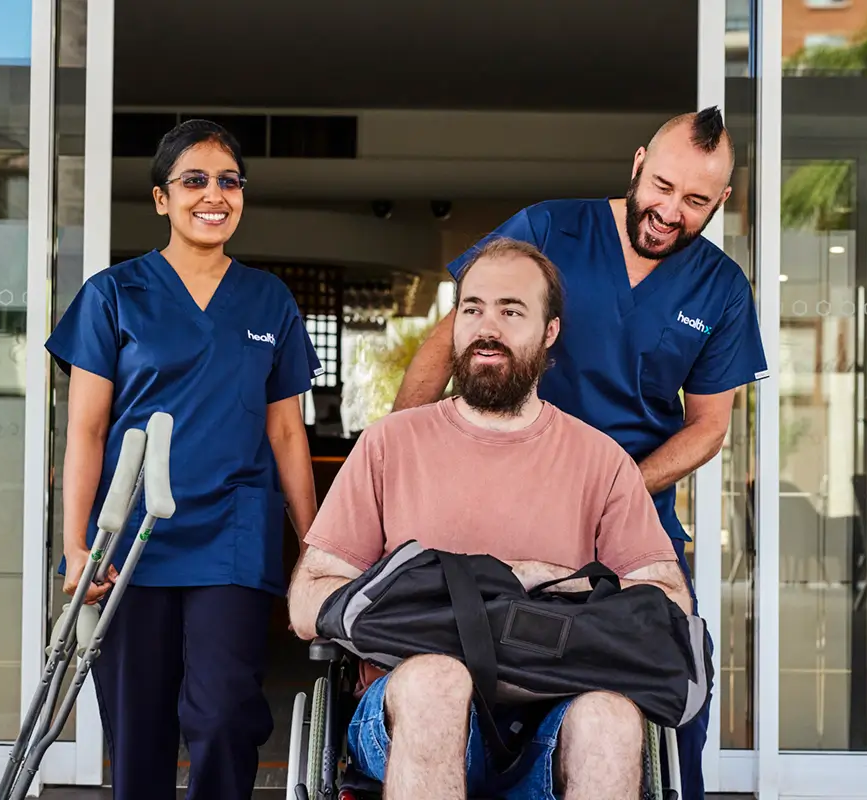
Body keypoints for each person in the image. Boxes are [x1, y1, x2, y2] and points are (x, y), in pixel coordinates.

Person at [391, 106, 768, 800]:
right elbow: (453, 338)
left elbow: (709, 425)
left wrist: (614, 486)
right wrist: (398, 457)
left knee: (681, 661)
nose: (667, 211)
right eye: (660, 185)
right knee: (466, 657)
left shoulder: (721, 288)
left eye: (694, 201)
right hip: (500, 498)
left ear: (722, 202)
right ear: (635, 166)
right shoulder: (548, 229)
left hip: (630, 518)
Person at [288, 237, 692, 800]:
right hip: (405, 709)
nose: (487, 327)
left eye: (511, 311)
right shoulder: (390, 444)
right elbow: (307, 599)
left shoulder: (602, 460)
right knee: (439, 680)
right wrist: (441, 588)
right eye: (472, 308)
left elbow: (670, 603)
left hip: (555, 710)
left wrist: (535, 578)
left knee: (612, 718)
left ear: (549, 333)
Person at [45, 119, 322, 800]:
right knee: (137, 727)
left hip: (232, 532)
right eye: (193, 180)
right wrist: (76, 545)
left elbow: (287, 434)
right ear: (162, 199)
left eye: (229, 181)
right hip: (130, 538)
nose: (214, 194)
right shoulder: (115, 294)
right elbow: (86, 431)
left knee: (225, 712)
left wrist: (317, 547)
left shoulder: (268, 301)